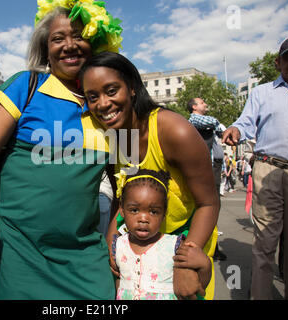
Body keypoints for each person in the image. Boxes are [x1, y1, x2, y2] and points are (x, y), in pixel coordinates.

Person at [0, 0, 123, 299]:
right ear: (45, 49)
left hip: (84, 256)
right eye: (58, 38)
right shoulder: (26, 85)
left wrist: (114, 242)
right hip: (15, 251)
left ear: (96, 42)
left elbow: (126, 186)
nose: (69, 45)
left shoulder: (111, 107)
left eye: (79, 36)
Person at [80, 51, 220, 300]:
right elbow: (119, 202)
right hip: (138, 258)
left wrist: (185, 261)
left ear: (132, 88)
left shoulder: (174, 131)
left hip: (185, 249)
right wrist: (113, 246)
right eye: (93, 97)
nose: (102, 104)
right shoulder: (114, 139)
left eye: (112, 90)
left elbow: (208, 203)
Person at [222, 35, 288, 300]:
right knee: (265, 243)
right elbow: (245, 122)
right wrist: (236, 129)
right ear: (277, 62)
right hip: (267, 169)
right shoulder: (262, 92)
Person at [114, 168, 211, 300]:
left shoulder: (175, 246)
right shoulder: (118, 245)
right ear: (122, 210)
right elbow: (119, 284)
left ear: (164, 214)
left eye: (153, 212)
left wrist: (205, 265)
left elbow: (197, 287)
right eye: (134, 210)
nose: (143, 218)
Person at [187, 97, 227, 261]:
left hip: (213, 169)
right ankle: (205, 246)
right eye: (202, 102)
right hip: (206, 171)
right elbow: (212, 122)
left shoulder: (207, 125)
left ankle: (211, 245)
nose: (206, 104)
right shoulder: (196, 119)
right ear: (194, 107)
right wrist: (220, 126)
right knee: (209, 207)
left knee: (213, 208)